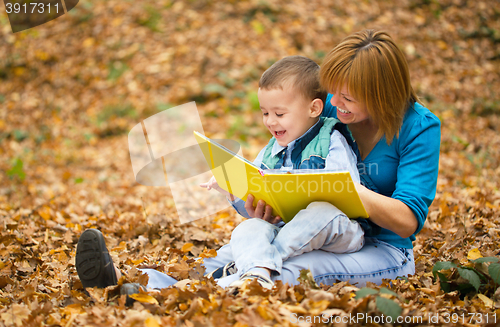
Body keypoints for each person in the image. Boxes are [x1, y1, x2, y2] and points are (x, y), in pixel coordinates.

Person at [75, 29, 440, 293]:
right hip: (301, 229)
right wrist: (258, 196)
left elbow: (408, 220)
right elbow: (282, 151)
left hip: (381, 249)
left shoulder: (418, 129)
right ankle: (134, 284)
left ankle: (166, 298)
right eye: (332, 92)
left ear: (380, 94)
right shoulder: (326, 108)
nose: (335, 103)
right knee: (239, 248)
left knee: (289, 268)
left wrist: (350, 193)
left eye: (348, 98)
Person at [199, 55, 366, 289]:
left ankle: (250, 262)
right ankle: (257, 273)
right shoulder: (272, 149)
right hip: (288, 229)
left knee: (319, 211)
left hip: (337, 227)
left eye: (279, 114)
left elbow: (344, 188)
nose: (270, 122)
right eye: (265, 113)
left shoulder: (331, 139)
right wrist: (232, 188)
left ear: (313, 108)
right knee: (250, 228)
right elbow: (255, 194)